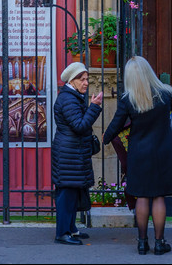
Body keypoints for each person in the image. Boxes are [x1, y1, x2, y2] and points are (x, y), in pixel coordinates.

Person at [102, 56, 172, 255]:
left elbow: (116, 124)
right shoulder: (166, 93)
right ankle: (159, 243)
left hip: (139, 153)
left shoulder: (128, 99)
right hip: (163, 152)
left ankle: (142, 243)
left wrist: (105, 138)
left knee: (142, 196)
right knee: (159, 197)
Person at [51, 61, 103, 245]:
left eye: (87, 79)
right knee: (66, 194)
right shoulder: (68, 99)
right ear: (72, 81)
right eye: (83, 79)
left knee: (72, 192)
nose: (86, 83)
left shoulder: (72, 97)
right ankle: (63, 233)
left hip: (72, 152)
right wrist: (94, 107)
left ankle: (71, 229)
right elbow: (80, 125)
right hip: (68, 153)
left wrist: (90, 107)